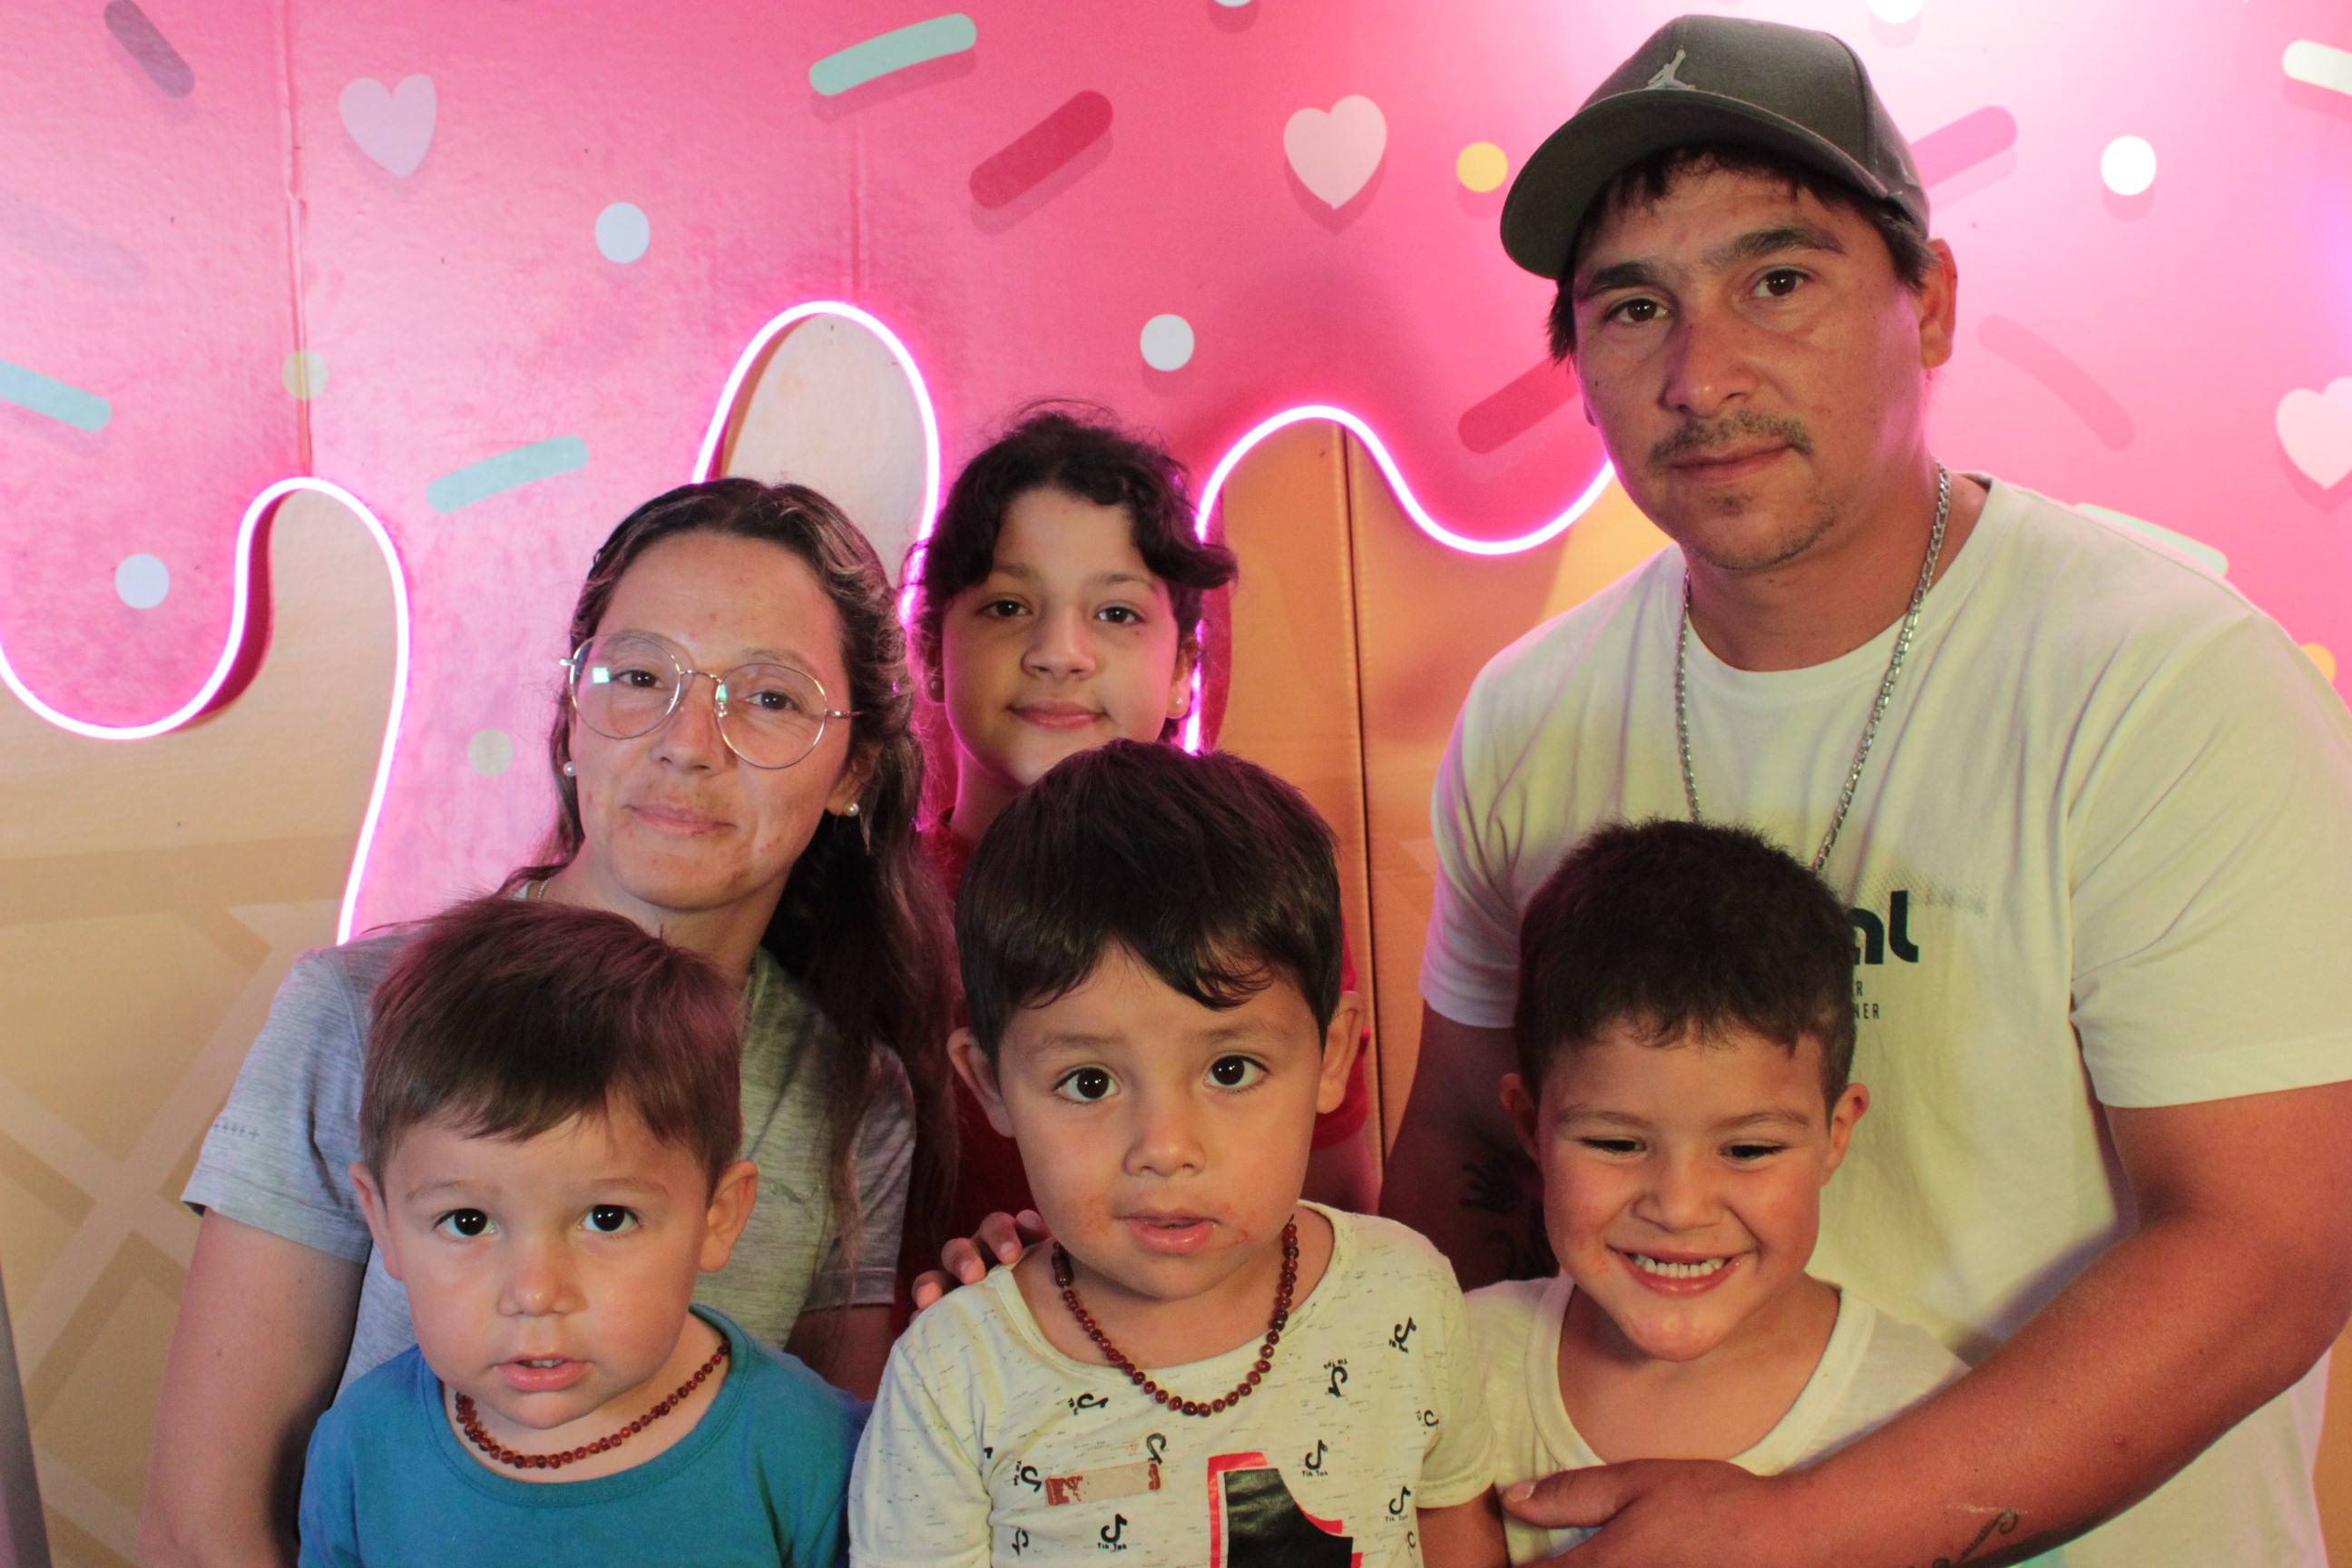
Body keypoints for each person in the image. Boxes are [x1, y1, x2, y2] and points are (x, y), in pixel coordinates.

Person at [1381, 15, 2352, 1564]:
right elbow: (1464, 1162)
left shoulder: (2166, 685)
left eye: (1778, 281)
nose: (1702, 375)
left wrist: (1802, 1531)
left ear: (1930, 301)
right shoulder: (1530, 716)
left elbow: (2269, 1250)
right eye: (1633, 307)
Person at [143, 479, 955, 1568]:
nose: (688, 743)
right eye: (639, 677)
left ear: (854, 766)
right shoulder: (355, 1014)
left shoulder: (853, 1093)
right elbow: (204, 1527)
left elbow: (837, 1508)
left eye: (768, 698)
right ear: (572, 715)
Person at [848, 741, 1503, 1566]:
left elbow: (1453, 1530)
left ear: (1333, 1056)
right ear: (989, 1085)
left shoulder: (1406, 1298)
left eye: (1230, 1070)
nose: (1164, 1148)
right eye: (1090, 1083)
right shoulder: (954, 1377)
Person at [1477, 820, 2057, 1565]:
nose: (1680, 1208)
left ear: (1836, 1135)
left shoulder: (1929, 1423)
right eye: (1617, 1144)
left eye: (1748, 1150)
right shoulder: (1448, 1362)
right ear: (1529, 1124)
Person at [909, 403, 1375, 1256]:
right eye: (1008, 605)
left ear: (1184, 672)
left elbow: (1339, 1214)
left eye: (1116, 614)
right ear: (931, 652)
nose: (1060, 652)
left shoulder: (1257, 887)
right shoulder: (875, 911)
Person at [297, 894, 859, 1566]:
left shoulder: (819, 1454)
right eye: (468, 1222)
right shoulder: (359, 1448)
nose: (535, 1293)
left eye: (607, 1218)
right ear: (384, 1221)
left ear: (719, 1215)